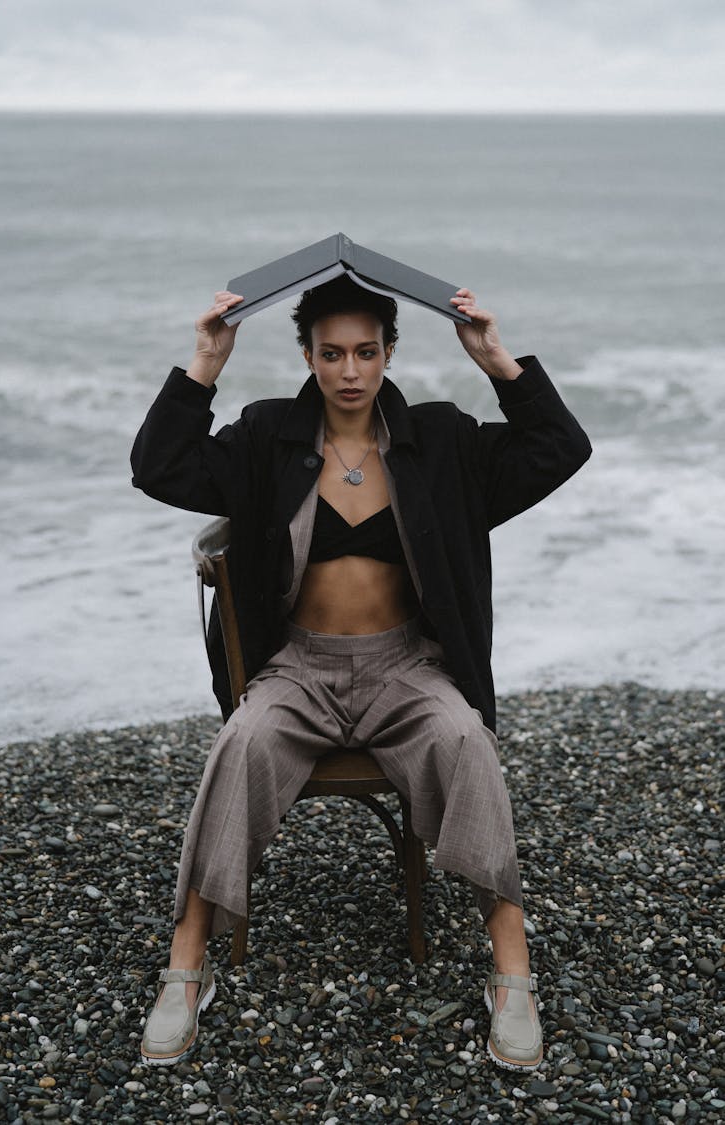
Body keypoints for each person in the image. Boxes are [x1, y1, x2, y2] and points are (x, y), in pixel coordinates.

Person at [130, 274, 591, 1071]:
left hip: (407, 667)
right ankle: (185, 965)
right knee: (238, 747)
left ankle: (512, 972)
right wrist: (206, 361)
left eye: (367, 351)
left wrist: (494, 358)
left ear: (388, 353)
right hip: (298, 669)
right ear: (307, 355)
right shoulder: (266, 435)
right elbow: (159, 465)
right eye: (332, 353)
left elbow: (559, 447)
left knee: (466, 742)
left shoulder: (442, 441)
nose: (350, 370)